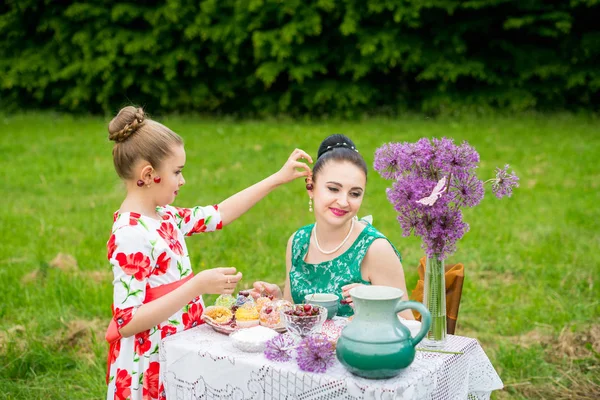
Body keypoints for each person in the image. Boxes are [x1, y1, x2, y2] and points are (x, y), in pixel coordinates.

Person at [104, 106, 312, 400]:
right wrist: (196, 286)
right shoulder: (130, 234)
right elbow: (127, 322)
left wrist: (277, 178)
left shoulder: (165, 217)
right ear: (149, 175)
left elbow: (220, 214)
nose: (182, 180)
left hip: (174, 347)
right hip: (149, 361)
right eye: (177, 172)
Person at [251, 134, 414, 320]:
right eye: (333, 189)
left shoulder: (375, 249)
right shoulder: (298, 242)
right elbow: (295, 314)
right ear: (310, 187)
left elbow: (410, 328)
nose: (344, 202)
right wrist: (279, 302)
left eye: (354, 193)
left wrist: (376, 303)